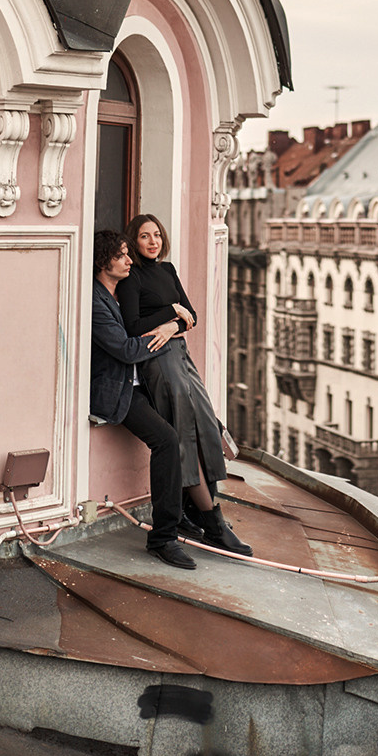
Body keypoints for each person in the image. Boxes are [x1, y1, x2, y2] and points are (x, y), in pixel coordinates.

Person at [117, 213, 252, 555]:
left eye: (157, 235)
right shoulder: (131, 277)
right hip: (158, 361)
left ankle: (194, 510)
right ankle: (212, 520)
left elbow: (190, 315)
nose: (153, 241)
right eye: (145, 236)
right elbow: (133, 326)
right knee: (183, 433)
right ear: (134, 241)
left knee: (206, 425)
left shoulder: (167, 270)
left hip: (180, 353)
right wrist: (171, 315)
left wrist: (172, 323)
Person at [90, 229, 196, 570]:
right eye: (121, 255)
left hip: (140, 383)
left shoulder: (119, 293)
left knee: (190, 420)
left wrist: (169, 319)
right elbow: (125, 348)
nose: (128, 260)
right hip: (121, 390)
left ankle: (189, 513)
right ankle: (163, 538)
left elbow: (137, 329)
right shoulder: (95, 301)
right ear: (104, 262)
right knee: (166, 440)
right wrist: (168, 330)